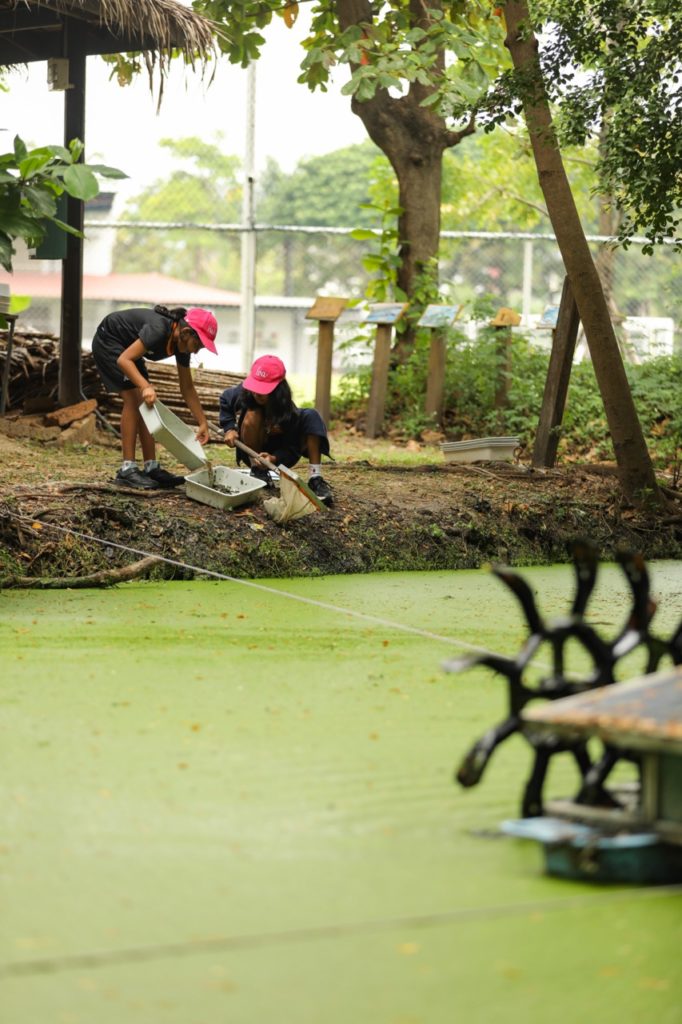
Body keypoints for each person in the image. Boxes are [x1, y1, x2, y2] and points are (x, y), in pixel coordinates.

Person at [92, 305, 218, 489]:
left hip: (127, 349)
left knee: (146, 403)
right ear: (186, 333)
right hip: (109, 341)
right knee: (133, 399)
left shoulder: (182, 345)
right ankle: (127, 469)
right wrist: (145, 386)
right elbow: (124, 360)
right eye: (198, 345)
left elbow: (187, 388)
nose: (197, 351)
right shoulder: (159, 330)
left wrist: (202, 422)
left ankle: (151, 467)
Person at [219, 354, 334, 506]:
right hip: (252, 453)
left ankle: (315, 478)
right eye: (255, 387)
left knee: (311, 415)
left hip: (281, 456)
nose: (257, 393)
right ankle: (258, 472)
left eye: (263, 389)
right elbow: (226, 398)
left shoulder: (288, 411)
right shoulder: (246, 391)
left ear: (278, 388)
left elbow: (292, 449)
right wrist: (229, 428)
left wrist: (274, 458)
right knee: (253, 414)